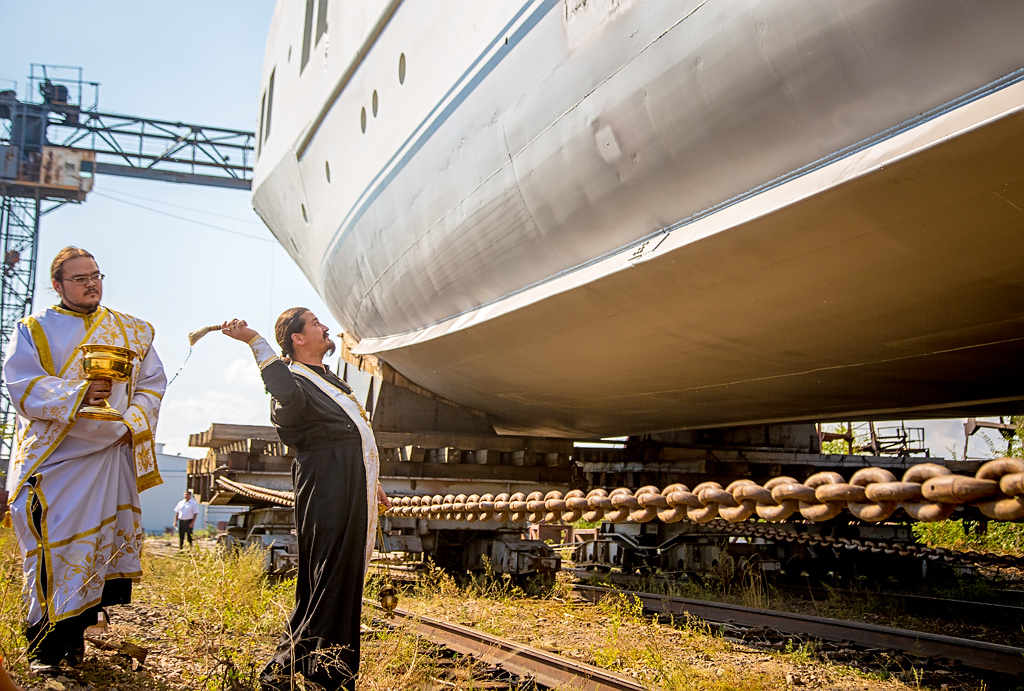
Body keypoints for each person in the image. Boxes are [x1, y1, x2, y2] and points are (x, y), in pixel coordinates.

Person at [2, 246, 165, 675]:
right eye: (80, 278)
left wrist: (131, 419)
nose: (92, 283)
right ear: (58, 285)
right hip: (56, 459)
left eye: (96, 275)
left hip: (108, 454)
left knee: (96, 551)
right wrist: (76, 395)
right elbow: (21, 384)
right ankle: (44, 651)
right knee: (54, 552)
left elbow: (152, 384)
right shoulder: (34, 329)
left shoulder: (130, 330)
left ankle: (73, 642)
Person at [221, 309, 389, 691]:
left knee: (341, 575)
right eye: (315, 324)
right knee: (329, 575)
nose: (326, 328)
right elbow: (287, 400)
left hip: (348, 480)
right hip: (327, 482)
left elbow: (350, 434)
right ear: (297, 339)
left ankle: (317, 671)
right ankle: (303, 669)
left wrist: (371, 480)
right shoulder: (292, 381)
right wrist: (254, 341)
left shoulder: (326, 379)